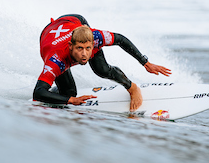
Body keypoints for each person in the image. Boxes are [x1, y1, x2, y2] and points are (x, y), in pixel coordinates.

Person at [33, 14, 172, 111]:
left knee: (102, 69)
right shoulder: (56, 60)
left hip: (73, 20)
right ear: (70, 46)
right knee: (69, 93)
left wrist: (145, 63)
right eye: (79, 49)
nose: (84, 54)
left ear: (93, 43)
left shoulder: (96, 36)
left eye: (88, 49)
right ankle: (56, 94)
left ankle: (132, 88)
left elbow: (121, 39)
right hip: (48, 35)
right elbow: (38, 92)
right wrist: (70, 100)